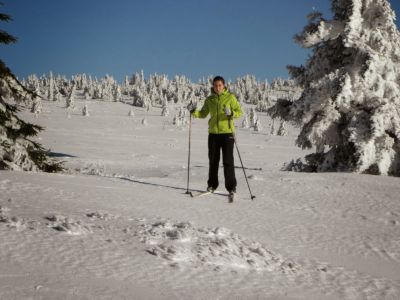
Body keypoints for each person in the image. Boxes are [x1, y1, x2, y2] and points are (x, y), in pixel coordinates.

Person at [187, 76, 243, 201]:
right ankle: (212, 185)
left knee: (228, 161)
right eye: (215, 85)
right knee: (213, 161)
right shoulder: (210, 100)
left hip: (227, 133)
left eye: (220, 85)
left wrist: (231, 113)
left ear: (224, 86)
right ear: (213, 86)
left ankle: (231, 188)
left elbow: (239, 112)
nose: (217, 87)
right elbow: (202, 114)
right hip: (213, 134)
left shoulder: (230, 97)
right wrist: (193, 111)